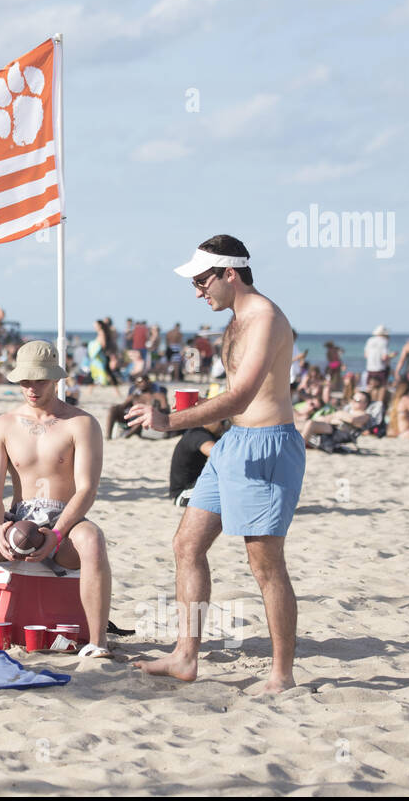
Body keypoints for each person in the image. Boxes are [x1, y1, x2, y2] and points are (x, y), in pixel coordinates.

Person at [128, 235, 304, 693]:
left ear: (231, 273)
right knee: (187, 544)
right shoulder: (234, 318)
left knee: (265, 564)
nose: (198, 289)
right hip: (233, 444)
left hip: (266, 447)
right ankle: (186, 656)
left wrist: (170, 421)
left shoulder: (263, 316)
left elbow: (244, 395)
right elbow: (234, 396)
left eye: (202, 280)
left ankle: (282, 675)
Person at [0, 341, 112, 658]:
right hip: (19, 519)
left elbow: (87, 489)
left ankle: (98, 641)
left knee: (93, 539)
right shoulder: (4, 424)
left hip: (64, 522)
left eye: (39, 380)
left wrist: (57, 534)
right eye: (25, 381)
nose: (31, 388)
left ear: (56, 379)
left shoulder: (81, 423)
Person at [170, 416, 226, 506]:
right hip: (183, 494)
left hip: (194, 486)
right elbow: (217, 454)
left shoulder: (204, 433)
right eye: (222, 421)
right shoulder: (198, 434)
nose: (223, 426)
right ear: (210, 420)